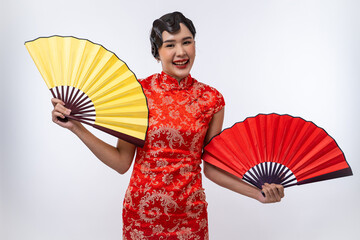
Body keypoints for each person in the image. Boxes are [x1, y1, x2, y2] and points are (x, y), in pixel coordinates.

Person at [51, 12, 284, 240]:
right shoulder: (137, 94)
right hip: (142, 216)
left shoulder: (212, 100)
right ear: (157, 53)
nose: (181, 52)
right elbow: (122, 162)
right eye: (170, 45)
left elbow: (212, 168)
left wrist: (258, 194)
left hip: (190, 217)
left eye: (187, 42)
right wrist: (77, 127)